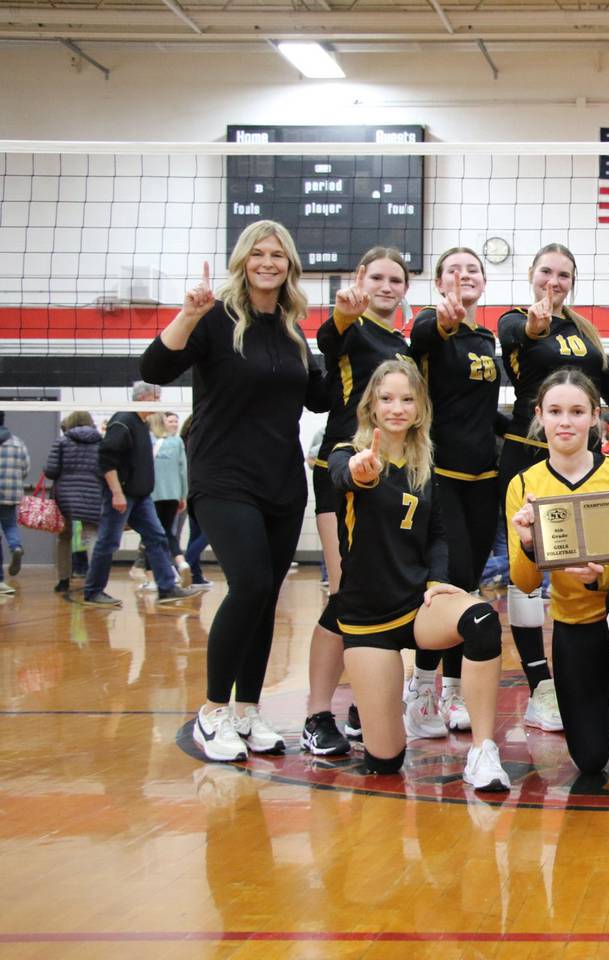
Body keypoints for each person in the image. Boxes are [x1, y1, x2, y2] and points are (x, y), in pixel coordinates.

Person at [141, 220, 330, 763]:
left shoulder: (293, 327)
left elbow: (318, 398)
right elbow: (153, 367)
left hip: (281, 480)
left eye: (278, 255)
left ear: (290, 264)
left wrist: (345, 337)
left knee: (266, 597)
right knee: (247, 586)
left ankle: (247, 709)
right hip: (223, 475)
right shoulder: (216, 318)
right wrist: (188, 313)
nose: (268, 262)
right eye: (258, 254)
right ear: (243, 260)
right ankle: (213, 711)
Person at [328, 360, 508, 789]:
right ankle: (393, 721)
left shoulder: (425, 464)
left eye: (407, 399)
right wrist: (359, 471)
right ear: (370, 404)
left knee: (481, 621)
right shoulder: (347, 453)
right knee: (385, 762)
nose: (397, 408)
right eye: (387, 399)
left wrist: (437, 578)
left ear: (421, 408)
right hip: (367, 617)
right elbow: (343, 477)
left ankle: (483, 752)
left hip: (416, 605)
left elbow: (439, 533)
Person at [506, 368, 609, 802]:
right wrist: (527, 544)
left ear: (596, 418)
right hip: (575, 623)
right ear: (539, 416)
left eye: (577, 412)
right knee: (591, 758)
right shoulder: (523, 486)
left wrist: (602, 578)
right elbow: (523, 583)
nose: (566, 422)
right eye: (555, 411)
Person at [497, 244, 609, 735]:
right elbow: (517, 336)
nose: (555, 280)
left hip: (586, 459)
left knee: (590, 560)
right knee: (528, 562)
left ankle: (600, 673)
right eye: (546, 271)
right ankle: (539, 685)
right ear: (531, 274)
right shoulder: (517, 320)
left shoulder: (583, 330)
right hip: (531, 454)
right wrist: (535, 326)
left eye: (564, 274)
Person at [302, 246, 413, 758]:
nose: (387, 286)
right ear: (358, 280)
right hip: (343, 469)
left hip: (393, 477)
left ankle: (362, 701)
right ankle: (316, 713)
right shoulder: (350, 327)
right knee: (346, 590)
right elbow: (329, 338)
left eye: (396, 279)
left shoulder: (401, 345)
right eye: (378, 278)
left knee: (378, 587)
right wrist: (342, 312)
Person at [408, 246, 503, 734]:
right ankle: (423, 690)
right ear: (440, 282)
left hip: (484, 477)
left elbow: (482, 410)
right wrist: (441, 321)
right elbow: (422, 335)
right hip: (441, 475)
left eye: (472, 270)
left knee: (470, 584)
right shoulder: (430, 326)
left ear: (483, 284)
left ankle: (450, 693)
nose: (463, 275)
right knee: (450, 582)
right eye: (452, 270)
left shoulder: (486, 337)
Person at [80, 382, 199, 608]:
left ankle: (166, 587)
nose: (160, 402)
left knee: (157, 537)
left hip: (142, 497)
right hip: (123, 494)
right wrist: (117, 493)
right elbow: (106, 460)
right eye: (158, 397)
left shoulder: (142, 424)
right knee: (108, 541)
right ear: (144, 398)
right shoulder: (123, 422)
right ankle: (93, 591)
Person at [44, 411, 105, 600]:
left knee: (64, 537)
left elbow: (51, 471)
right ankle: (94, 582)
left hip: (65, 495)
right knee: (91, 536)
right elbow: (106, 470)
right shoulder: (101, 442)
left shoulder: (62, 442)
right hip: (93, 493)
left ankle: (63, 580)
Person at [147, 411, 191, 587]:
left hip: (152, 494)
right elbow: (183, 470)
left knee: (152, 535)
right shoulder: (177, 441)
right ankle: (181, 562)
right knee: (168, 532)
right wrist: (183, 495)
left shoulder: (148, 441)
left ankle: (153, 577)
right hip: (173, 494)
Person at [179, 415, 212, 588]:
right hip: (202, 492)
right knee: (209, 533)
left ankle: (196, 576)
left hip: (192, 493)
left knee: (196, 535)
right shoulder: (199, 444)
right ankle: (185, 564)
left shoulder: (183, 442)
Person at [0, 411, 29, 591]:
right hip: (10, 494)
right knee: (10, 525)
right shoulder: (17, 443)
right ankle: (16, 546)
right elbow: (25, 468)